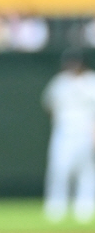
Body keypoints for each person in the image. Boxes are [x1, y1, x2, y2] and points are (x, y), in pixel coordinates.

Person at [42, 51, 95, 223]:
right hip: (64, 131)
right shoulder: (60, 82)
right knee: (59, 169)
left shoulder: (91, 81)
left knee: (87, 172)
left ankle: (85, 208)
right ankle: (56, 207)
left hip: (86, 132)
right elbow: (48, 106)